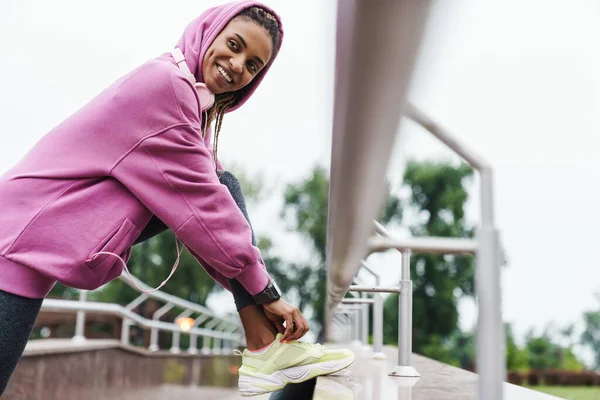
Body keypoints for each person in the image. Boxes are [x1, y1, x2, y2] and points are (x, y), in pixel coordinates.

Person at [0, 0, 354, 396]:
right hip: (10, 245)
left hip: (23, 251)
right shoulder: (166, 87)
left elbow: (204, 222)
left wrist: (257, 290)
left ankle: (262, 348)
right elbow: (207, 210)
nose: (238, 65)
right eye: (234, 45)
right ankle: (262, 348)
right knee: (221, 188)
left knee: (223, 185)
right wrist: (266, 292)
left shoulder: (185, 99)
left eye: (253, 65)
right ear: (209, 33)